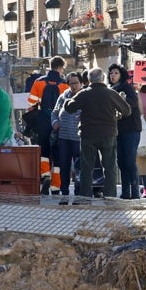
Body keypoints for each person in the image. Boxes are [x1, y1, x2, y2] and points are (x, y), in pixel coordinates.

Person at [65, 68, 131, 199]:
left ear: (89, 80)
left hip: (87, 135)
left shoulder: (83, 94)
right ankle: (110, 196)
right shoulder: (111, 93)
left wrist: (68, 99)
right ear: (103, 78)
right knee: (110, 167)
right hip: (108, 134)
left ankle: (85, 196)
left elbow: (69, 108)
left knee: (86, 168)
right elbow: (127, 111)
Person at [108, 64, 143, 199]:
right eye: (111, 73)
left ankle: (135, 192)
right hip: (118, 130)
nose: (113, 75)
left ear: (121, 75)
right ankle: (125, 192)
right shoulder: (111, 90)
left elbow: (132, 102)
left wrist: (120, 101)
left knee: (129, 161)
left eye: (116, 73)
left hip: (131, 129)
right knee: (121, 162)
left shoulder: (126, 88)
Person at [28, 56, 69, 163]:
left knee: (43, 148)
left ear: (50, 66)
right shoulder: (65, 84)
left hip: (42, 119)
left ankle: (44, 175)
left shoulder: (38, 82)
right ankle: (57, 178)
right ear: (60, 68)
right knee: (58, 150)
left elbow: (31, 102)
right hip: (59, 120)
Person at [52, 71, 85, 200]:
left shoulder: (85, 96)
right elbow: (54, 112)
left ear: (81, 83)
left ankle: (78, 192)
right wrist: (55, 123)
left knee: (79, 166)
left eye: (76, 83)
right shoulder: (63, 96)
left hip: (79, 138)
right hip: (64, 137)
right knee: (64, 165)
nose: (73, 86)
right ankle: (64, 191)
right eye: (71, 84)